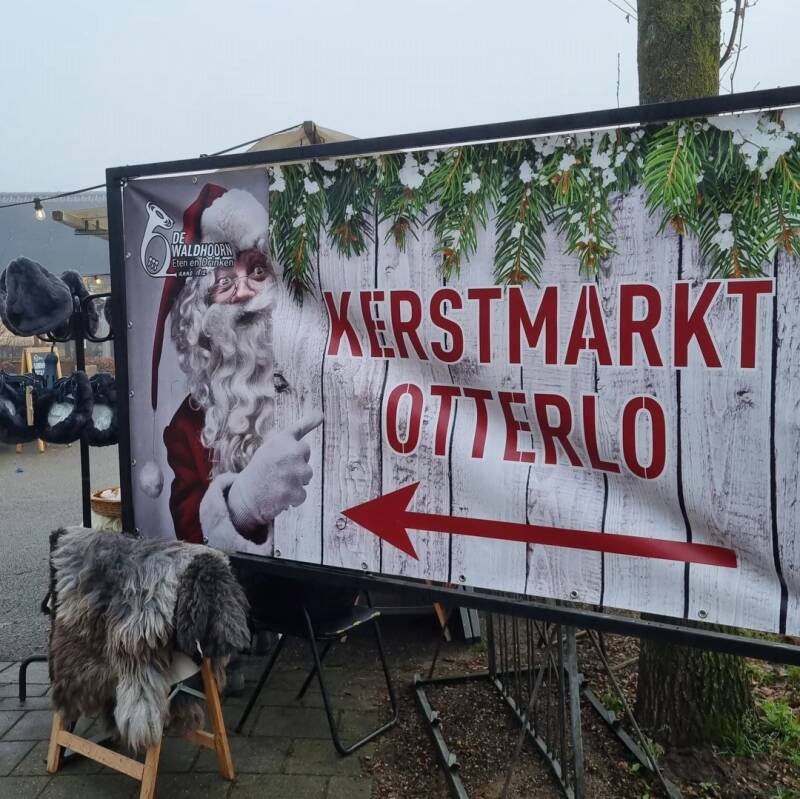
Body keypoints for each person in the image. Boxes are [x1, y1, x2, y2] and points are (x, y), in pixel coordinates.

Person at [145, 183, 321, 552]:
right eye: (223, 282)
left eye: (257, 272)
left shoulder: (321, 379)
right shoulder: (186, 428)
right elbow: (192, 541)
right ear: (201, 315)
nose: (242, 292)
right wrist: (242, 504)